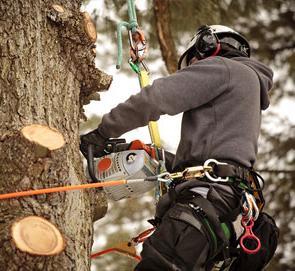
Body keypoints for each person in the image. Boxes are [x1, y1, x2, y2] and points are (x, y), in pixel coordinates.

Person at [81, 25, 277, 270]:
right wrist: (159, 157)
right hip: (226, 210)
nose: (194, 69)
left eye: (194, 62)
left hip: (203, 206)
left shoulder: (223, 68)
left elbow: (156, 98)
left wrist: (102, 133)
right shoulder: (247, 86)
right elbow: (219, 158)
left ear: (209, 46)